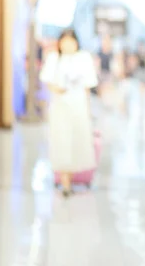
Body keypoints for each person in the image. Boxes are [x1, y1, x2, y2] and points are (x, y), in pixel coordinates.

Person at [40, 29, 98, 197]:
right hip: (60, 108)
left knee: (77, 141)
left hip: (78, 107)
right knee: (61, 141)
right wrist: (57, 89)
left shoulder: (84, 58)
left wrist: (88, 109)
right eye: (64, 41)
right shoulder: (54, 58)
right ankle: (64, 182)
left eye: (70, 41)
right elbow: (48, 81)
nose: (67, 45)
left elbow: (87, 86)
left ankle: (70, 180)